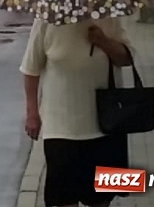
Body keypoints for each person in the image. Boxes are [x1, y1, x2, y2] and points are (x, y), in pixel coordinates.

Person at [21, 15, 133, 207]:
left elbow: (126, 60)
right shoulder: (47, 19)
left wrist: (103, 41)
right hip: (61, 130)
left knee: (102, 199)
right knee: (63, 199)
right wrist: (32, 113)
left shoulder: (109, 17)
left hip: (107, 126)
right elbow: (30, 69)